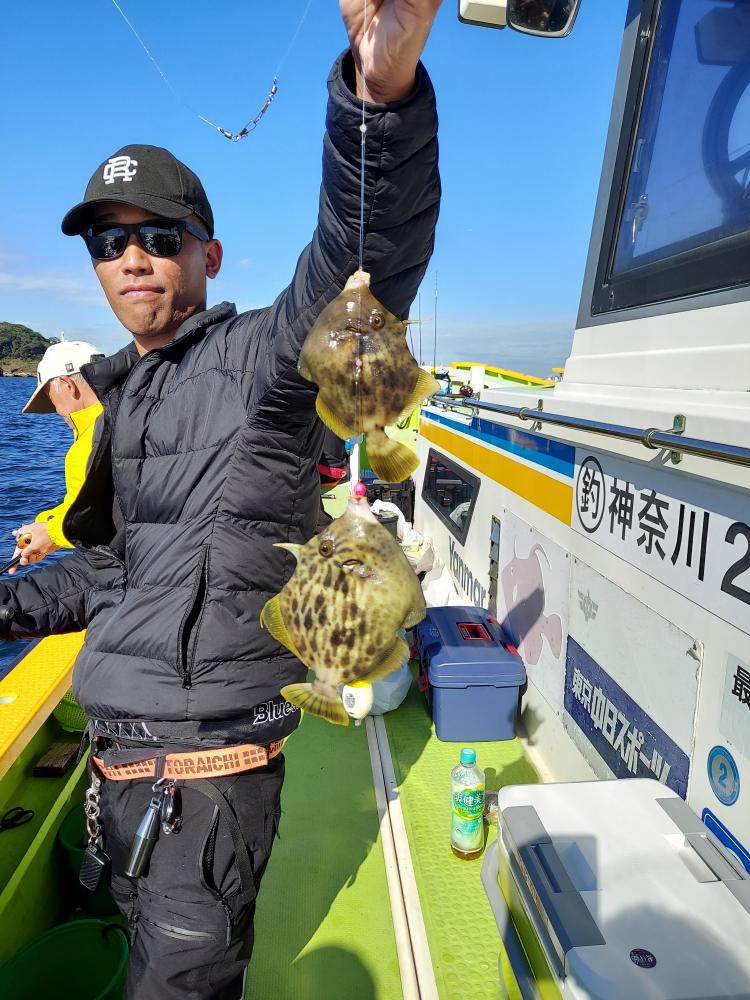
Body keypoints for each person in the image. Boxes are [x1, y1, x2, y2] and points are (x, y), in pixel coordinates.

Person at [0, 1, 442, 997]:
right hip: (121, 780)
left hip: (200, 796)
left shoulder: (259, 364)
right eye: (107, 242)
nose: (132, 258)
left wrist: (380, 98)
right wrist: (7, 602)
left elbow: (361, 263)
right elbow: (113, 571)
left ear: (209, 255)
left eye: (160, 235)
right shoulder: (127, 396)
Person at [8, 341, 104, 575]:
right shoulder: (129, 415)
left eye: (52, 399)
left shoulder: (93, 441)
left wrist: (51, 533)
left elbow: (105, 519)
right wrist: (44, 526)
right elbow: (91, 503)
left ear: (68, 385)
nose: (57, 412)